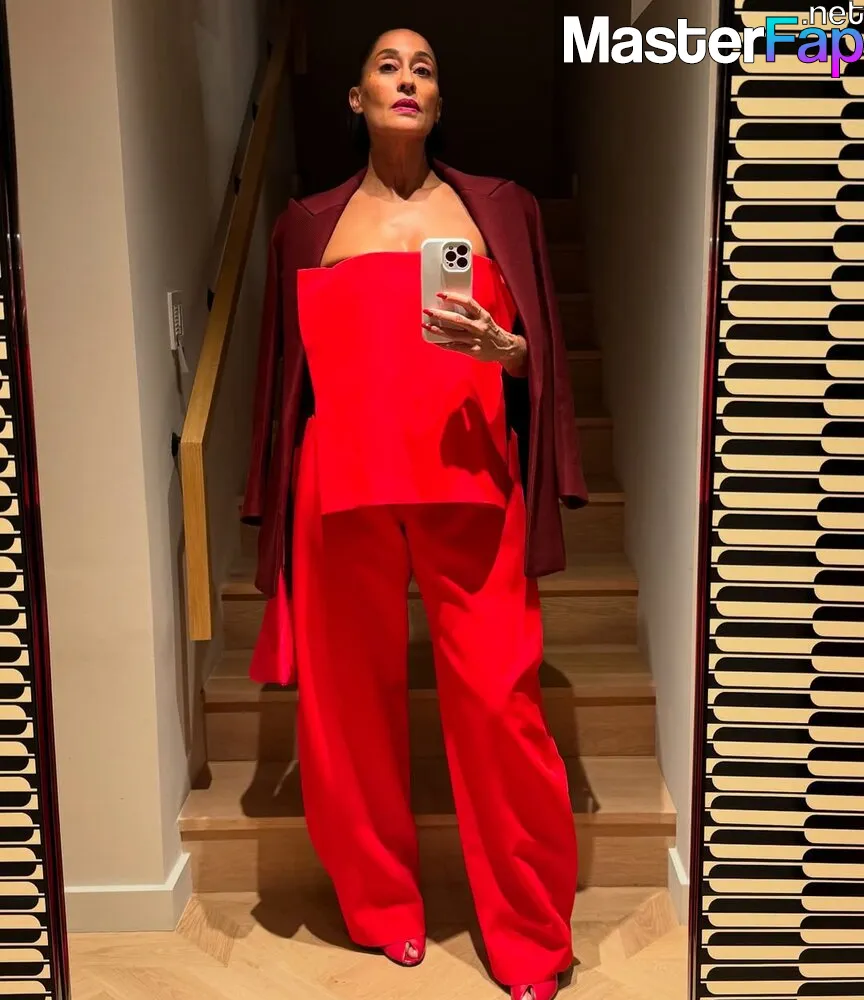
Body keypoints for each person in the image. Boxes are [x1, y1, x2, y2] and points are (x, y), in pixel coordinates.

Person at [241, 26, 589, 1000]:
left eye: (425, 67)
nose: (407, 77)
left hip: (470, 475)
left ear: (439, 103)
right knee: (347, 710)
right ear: (356, 99)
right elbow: (283, 380)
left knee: (502, 707)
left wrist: (508, 351)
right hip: (340, 480)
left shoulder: (503, 209)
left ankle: (530, 937)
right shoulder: (305, 225)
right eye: (388, 65)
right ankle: (382, 905)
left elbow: (539, 353)